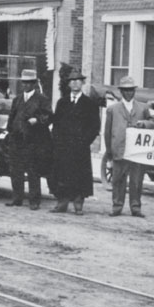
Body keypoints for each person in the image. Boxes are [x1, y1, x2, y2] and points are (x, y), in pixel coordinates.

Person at [50, 68, 101, 215]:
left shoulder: (89, 104)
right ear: (68, 84)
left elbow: (94, 127)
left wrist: (84, 142)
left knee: (80, 175)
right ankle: (62, 202)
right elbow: (56, 123)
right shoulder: (62, 103)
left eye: (78, 81)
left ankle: (78, 203)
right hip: (63, 147)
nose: (75, 84)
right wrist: (58, 140)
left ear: (82, 83)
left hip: (80, 147)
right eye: (72, 81)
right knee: (63, 174)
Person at [103, 75, 154, 218]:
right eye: (125, 90)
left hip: (136, 151)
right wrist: (109, 152)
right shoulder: (113, 109)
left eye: (131, 90)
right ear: (121, 92)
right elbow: (107, 132)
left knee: (136, 180)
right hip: (119, 149)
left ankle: (135, 207)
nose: (128, 93)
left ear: (134, 91)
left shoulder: (143, 107)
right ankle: (117, 206)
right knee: (118, 180)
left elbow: (152, 123)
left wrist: (143, 124)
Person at [5, 68, 53, 211]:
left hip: (33, 141)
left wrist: (37, 120)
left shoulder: (42, 99)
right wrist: (11, 131)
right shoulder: (17, 99)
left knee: (33, 171)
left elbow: (49, 116)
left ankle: (34, 201)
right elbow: (11, 117)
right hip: (17, 140)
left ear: (34, 84)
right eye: (23, 83)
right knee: (16, 170)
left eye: (29, 83)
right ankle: (17, 198)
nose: (25, 85)